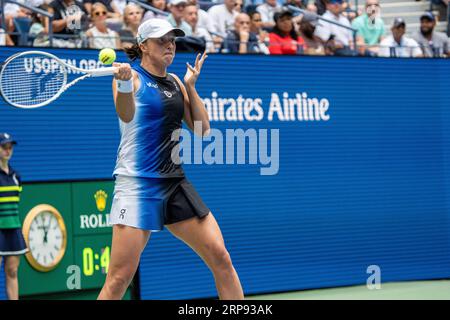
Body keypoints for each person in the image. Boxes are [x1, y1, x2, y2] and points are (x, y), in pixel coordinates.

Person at [98, 18, 244, 300]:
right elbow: (126, 114)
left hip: (175, 184)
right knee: (118, 279)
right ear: (143, 46)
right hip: (138, 186)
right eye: (161, 40)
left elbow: (203, 131)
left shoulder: (176, 81)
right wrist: (125, 84)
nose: (169, 45)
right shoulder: (131, 78)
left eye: (172, 40)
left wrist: (190, 86)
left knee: (221, 257)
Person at [0, 133, 28, 300]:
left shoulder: (17, 177)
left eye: (10, 147)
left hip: (13, 228)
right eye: (4, 146)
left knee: (12, 271)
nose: (8, 150)